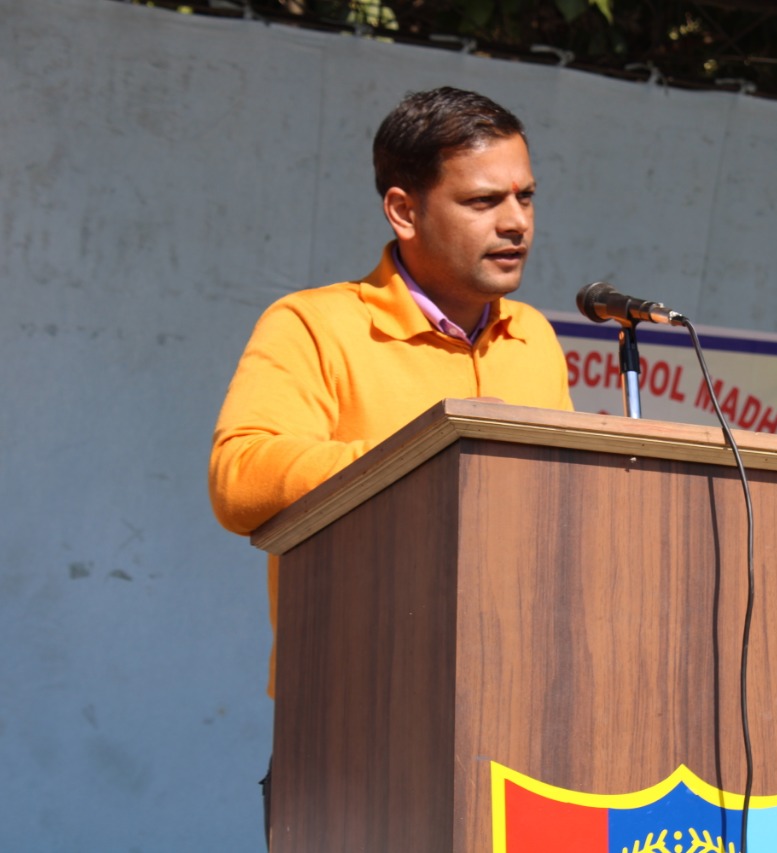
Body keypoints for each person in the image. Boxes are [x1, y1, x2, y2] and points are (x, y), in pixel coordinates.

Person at [207, 86, 574, 847]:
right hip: (359, 714)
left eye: (526, 196)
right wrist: (428, 457)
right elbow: (238, 477)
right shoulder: (313, 324)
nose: (516, 222)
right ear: (404, 211)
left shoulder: (534, 336)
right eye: (483, 201)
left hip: (523, 711)